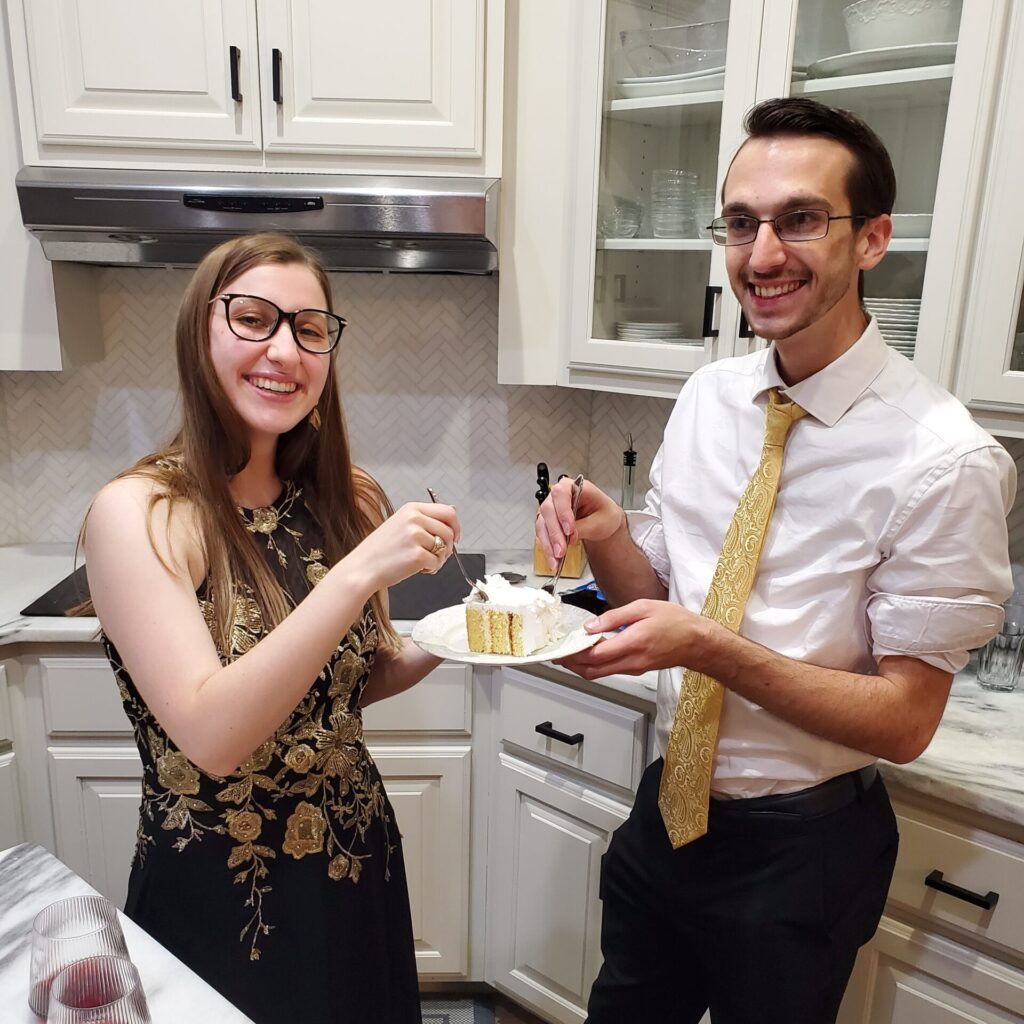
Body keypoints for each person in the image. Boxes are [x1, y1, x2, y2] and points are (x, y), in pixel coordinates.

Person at [536, 98, 1015, 1024]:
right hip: (666, 813)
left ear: (872, 239)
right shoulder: (709, 397)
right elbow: (662, 596)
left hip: (802, 851)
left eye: (799, 220)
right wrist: (611, 534)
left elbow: (906, 721)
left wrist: (709, 648)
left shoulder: (946, 459)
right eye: (741, 223)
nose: (761, 256)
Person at [83, 233, 459, 1023]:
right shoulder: (142, 515)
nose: (284, 351)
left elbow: (345, 688)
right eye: (253, 319)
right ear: (199, 336)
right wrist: (359, 572)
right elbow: (212, 735)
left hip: (355, 860)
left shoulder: (346, 497)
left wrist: (458, 636)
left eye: (309, 329)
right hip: (223, 892)